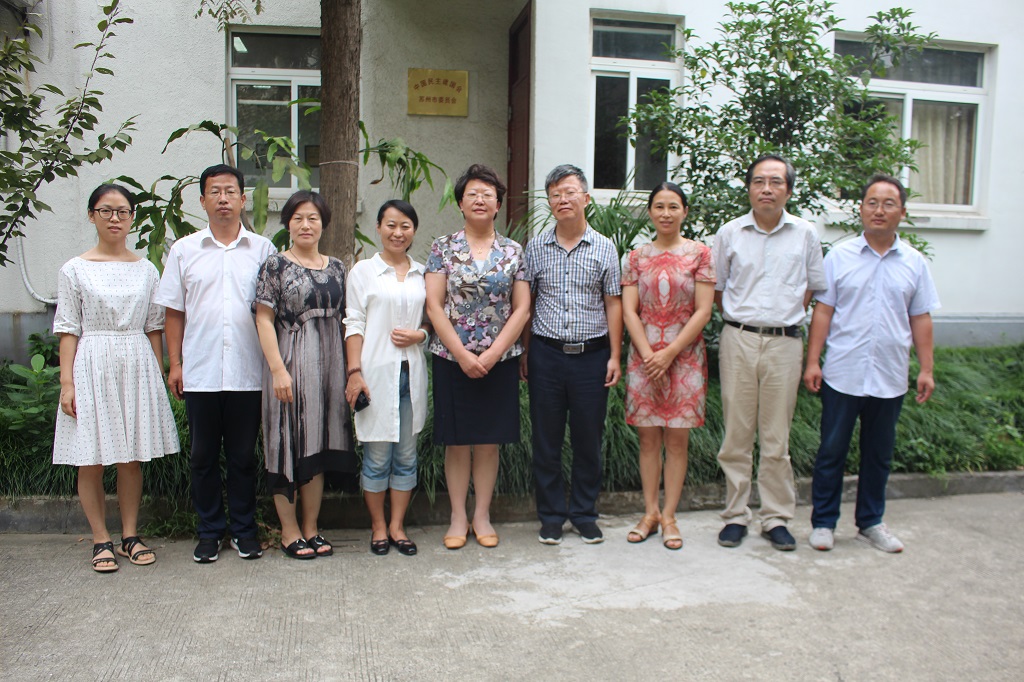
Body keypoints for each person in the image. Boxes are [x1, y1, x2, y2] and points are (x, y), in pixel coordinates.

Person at [803, 174, 939, 553]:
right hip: (842, 372)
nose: (879, 210)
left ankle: (870, 522)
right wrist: (813, 361)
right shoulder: (840, 257)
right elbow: (823, 312)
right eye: (872, 203)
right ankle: (824, 522)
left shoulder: (914, 263)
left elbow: (921, 318)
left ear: (902, 212)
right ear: (860, 208)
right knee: (832, 449)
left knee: (878, 453)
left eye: (888, 203)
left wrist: (926, 369)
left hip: (890, 374)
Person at [52, 183, 180, 573]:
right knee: (89, 459)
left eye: (122, 211)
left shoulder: (146, 269)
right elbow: (68, 328)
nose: (114, 218)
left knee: (130, 458)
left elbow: (155, 326)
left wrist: (158, 373)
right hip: (91, 363)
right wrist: (67, 383)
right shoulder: (73, 269)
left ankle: (129, 534)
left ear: (131, 218)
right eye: (106, 210)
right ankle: (99, 539)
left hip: (136, 362)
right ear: (92, 215)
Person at [156, 164, 276, 563]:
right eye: (214, 192)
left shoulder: (263, 250)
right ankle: (209, 531)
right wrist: (176, 364)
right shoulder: (184, 250)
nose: (223, 199)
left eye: (230, 191)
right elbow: (174, 312)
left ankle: (243, 530)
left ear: (243, 199)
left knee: (243, 456)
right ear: (203, 200)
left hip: (248, 372)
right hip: (202, 372)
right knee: (203, 456)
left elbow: (271, 313)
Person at [712, 154, 825, 551]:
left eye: (776, 182)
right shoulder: (729, 233)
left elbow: (813, 288)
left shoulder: (806, 234)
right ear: (749, 188)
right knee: (737, 433)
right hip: (738, 338)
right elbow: (718, 288)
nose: (766, 189)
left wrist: (784, 318)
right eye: (759, 181)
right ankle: (736, 516)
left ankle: (776, 517)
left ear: (788, 189)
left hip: (785, 343)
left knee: (777, 437)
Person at [425, 164, 531, 550]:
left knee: (488, 442)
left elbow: (521, 309)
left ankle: (482, 515)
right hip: (451, 358)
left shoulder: (514, 251)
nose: (480, 199)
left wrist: (492, 354)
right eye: (473, 194)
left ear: (498, 204)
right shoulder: (442, 248)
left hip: (499, 361)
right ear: (461, 203)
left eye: (488, 194)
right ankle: (457, 517)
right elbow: (435, 306)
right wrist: (464, 355)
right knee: (457, 441)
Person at [521, 164, 623, 546]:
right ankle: (550, 516)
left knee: (587, 439)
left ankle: (583, 513)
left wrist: (615, 355)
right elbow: (527, 305)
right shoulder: (536, 247)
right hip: (547, 355)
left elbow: (613, 304)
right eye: (555, 194)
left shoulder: (604, 247)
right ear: (549, 203)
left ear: (585, 198)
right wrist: (527, 353)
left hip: (591, 357)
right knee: (546, 440)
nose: (562, 200)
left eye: (569, 192)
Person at [254, 190, 355, 560]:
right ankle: (289, 530)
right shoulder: (275, 266)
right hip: (291, 364)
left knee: (319, 444)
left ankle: (311, 527)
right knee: (286, 444)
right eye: (298, 218)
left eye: (313, 218)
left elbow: (348, 319)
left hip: (331, 366)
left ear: (323, 223)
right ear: (288, 224)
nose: (306, 224)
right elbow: (263, 319)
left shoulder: (338, 267)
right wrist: (278, 370)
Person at [621, 182, 715, 550]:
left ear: (684, 211)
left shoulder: (700, 254)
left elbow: (703, 310)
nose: (665, 213)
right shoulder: (636, 257)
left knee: (677, 440)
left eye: (673, 206)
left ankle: (670, 516)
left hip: (684, 357)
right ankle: (649, 512)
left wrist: (670, 352)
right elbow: (630, 310)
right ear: (650, 212)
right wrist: (647, 353)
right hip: (644, 359)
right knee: (648, 439)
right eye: (658, 206)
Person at [345, 200, 430, 557]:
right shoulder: (363, 272)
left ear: (413, 230)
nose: (398, 233)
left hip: (411, 374)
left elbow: (432, 322)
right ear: (379, 227)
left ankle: (397, 526)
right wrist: (354, 372)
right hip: (376, 375)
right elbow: (354, 323)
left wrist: (420, 336)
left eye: (406, 226)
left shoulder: (423, 273)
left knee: (407, 455)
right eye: (391, 225)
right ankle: (378, 527)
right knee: (378, 456)